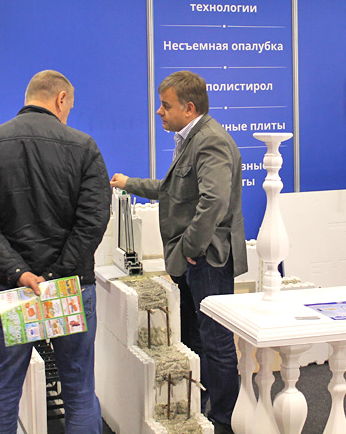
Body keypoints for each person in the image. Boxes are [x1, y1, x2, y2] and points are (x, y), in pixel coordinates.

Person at [0, 70, 111, 434]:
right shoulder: (83, 146)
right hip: (70, 286)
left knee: (4, 388)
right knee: (79, 389)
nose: (68, 113)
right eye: (69, 106)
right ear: (61, 99)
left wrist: (19, 272)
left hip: (12, 288)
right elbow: (93, 220)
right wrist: (57, 275)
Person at [110, 70, 246, 434]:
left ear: (189, 108)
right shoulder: (192, 139)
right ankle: (202, 410)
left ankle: (224, 422)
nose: (159, 111)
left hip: (208, 259)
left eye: (165, 105)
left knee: (216, 343)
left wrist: (190, 248)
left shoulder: (210, 141)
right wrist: (129, 184)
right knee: (197, 338)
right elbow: (173, 190)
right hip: (196, 259)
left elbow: (214, 201)